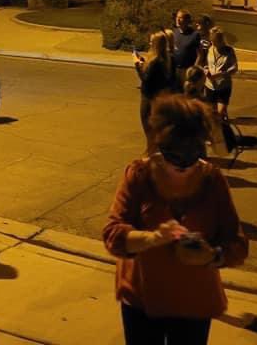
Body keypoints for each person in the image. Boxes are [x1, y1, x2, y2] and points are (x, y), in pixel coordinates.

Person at [102, 94, 248, 345]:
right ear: (159, 146)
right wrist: (153, 238)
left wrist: (212, 255)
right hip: (143, 301)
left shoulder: (212, 181)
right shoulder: (138, 175)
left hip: (194, 303)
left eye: (192, 157)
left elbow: (237, 244)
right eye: (174, 157)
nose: (183, 167)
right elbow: (113, 235)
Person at [135, 32, 174, 144]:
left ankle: (151, 148)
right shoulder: (166, 58)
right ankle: (154, 147)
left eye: (152, 42)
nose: (150, 43)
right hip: (158, 96)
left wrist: (138, 66)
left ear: (156, 45)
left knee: (147, 125)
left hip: (148, 96)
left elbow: (145, 79)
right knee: (155, 126)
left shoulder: (155, 61)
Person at [203, 27, 238, 119]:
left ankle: (223, 124)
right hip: (210, 85)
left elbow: (235, 68)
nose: (213, 42)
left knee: (220, 113)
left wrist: (222, 74)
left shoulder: (229, 51)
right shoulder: (209, 49)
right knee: (211, 113)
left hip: (224, 85)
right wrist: (205, 69)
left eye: (215, 40)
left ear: (221, 39)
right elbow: (204, 63)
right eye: (211, 39)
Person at [170, 10, 201, 91]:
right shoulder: (174, 32)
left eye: (181, 18)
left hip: (187, 71)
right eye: (177, 17)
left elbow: (200, 55)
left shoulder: (194, 35)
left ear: (187, 20)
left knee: (185, 94)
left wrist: (193, 71)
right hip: (175, 70)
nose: (178, 20)